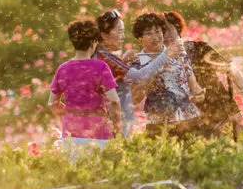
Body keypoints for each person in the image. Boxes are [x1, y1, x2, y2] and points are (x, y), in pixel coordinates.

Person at [162, 11, 243, 139]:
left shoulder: (198, 49)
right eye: (161, 31)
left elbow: (229, 69)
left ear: (178, 28)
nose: (166, 35)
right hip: (190, 120)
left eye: (168, 29)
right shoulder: (160, 61)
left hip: (221, 110)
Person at [94, 9, 181, 138]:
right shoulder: (108, 59)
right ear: (104, 35)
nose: (123, 37)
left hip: (183, 118)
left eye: (157, 31)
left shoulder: (109, 58)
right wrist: (164, 57)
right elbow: (139, 78)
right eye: (120, 32)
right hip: (119, 123)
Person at [48, 19, 121, 157]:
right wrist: (118, 125)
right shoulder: (101, 67)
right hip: (99, 132)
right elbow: (114, 101)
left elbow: (52, 103)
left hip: (71, 132)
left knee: (76, 175)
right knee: (100, 175)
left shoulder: (63, 69)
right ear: (93, 42)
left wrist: (70, 112)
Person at [131, 13, 205, 139]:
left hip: (189, 119)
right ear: (140, 38)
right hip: (159, 125)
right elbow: (135, 98)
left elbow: (195, 88)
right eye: (149, 33)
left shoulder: (180, 54)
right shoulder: (137, 63)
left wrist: (199, 95)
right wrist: (155, 73)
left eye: (157, 31)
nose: (155, 37)